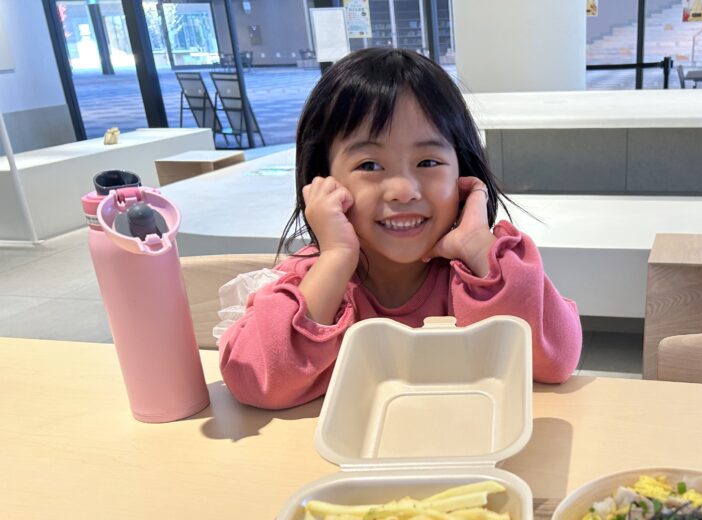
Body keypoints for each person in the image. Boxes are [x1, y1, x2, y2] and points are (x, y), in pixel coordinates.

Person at [219, 48, 583, 410]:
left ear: (462, 171)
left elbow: (557, 360)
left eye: (428, 162)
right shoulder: (312, 283)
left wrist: (477, 245)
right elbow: (258, 382)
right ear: (323, 181)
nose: (404, 190)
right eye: (369, 165)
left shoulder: (483, 274)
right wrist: (336, 258)